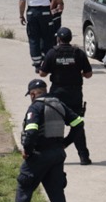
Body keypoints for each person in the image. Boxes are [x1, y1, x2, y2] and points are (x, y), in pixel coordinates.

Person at [1, 78, 82, 202]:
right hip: (57, 155)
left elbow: (31, 132)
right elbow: (78, 123)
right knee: (57, 194)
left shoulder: (35, 107)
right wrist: (65, 143)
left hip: (39, 155)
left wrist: (27, 151)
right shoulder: (59, 104)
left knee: (24, 186)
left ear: (32, 94)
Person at [37, 27, 92, 165]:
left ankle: (53, 155)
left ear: (58, 39)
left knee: (55, 125)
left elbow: (42, 74)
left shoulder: (52, 53)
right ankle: (84, 157)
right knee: (77, 124)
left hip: (57, 94)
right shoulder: (78, 53)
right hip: (75, 94)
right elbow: (88, 74)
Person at [17, 0, 62, 68]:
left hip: (32, 13)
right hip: (45, 12)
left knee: (33, 38)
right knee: (47, 37)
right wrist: (60, 6)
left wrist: (21, 15)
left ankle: (37, 63)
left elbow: (22, 1)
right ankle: (46, 61)